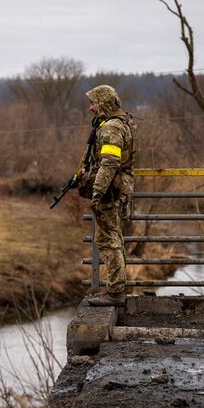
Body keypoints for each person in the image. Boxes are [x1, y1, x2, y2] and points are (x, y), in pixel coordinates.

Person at [77, 85, 136, 307]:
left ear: (104, 103)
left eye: (94, 102)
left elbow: (109, 163)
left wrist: (97, 191)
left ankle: (115, 292)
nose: (91, 107)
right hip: (117, 188)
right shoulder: (120, 122)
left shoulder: (111, 128)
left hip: (111, 190)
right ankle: (116, 288)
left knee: (107, 239)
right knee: (113, 237)